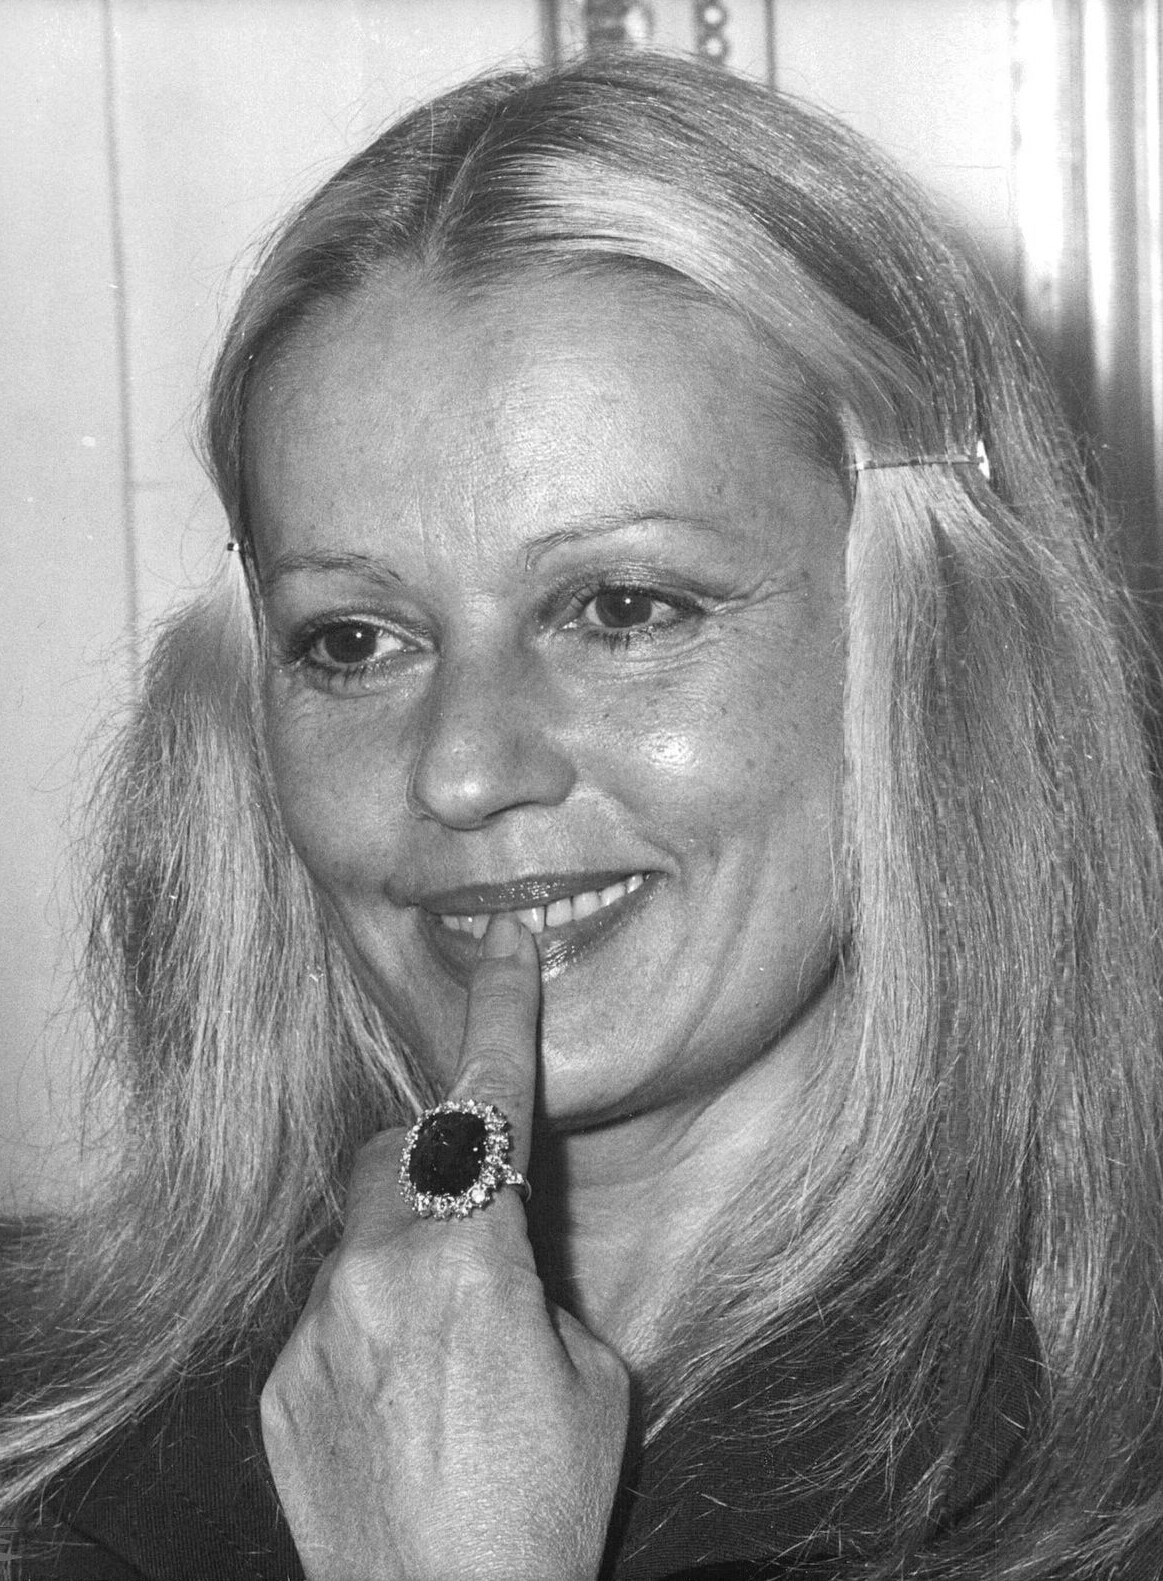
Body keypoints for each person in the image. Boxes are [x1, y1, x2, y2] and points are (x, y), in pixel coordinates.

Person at [3, 49, 1163, 1581]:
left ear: (928, 649)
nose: (463, 768)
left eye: (622, 607)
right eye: (353, 639)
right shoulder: (50, 1409)